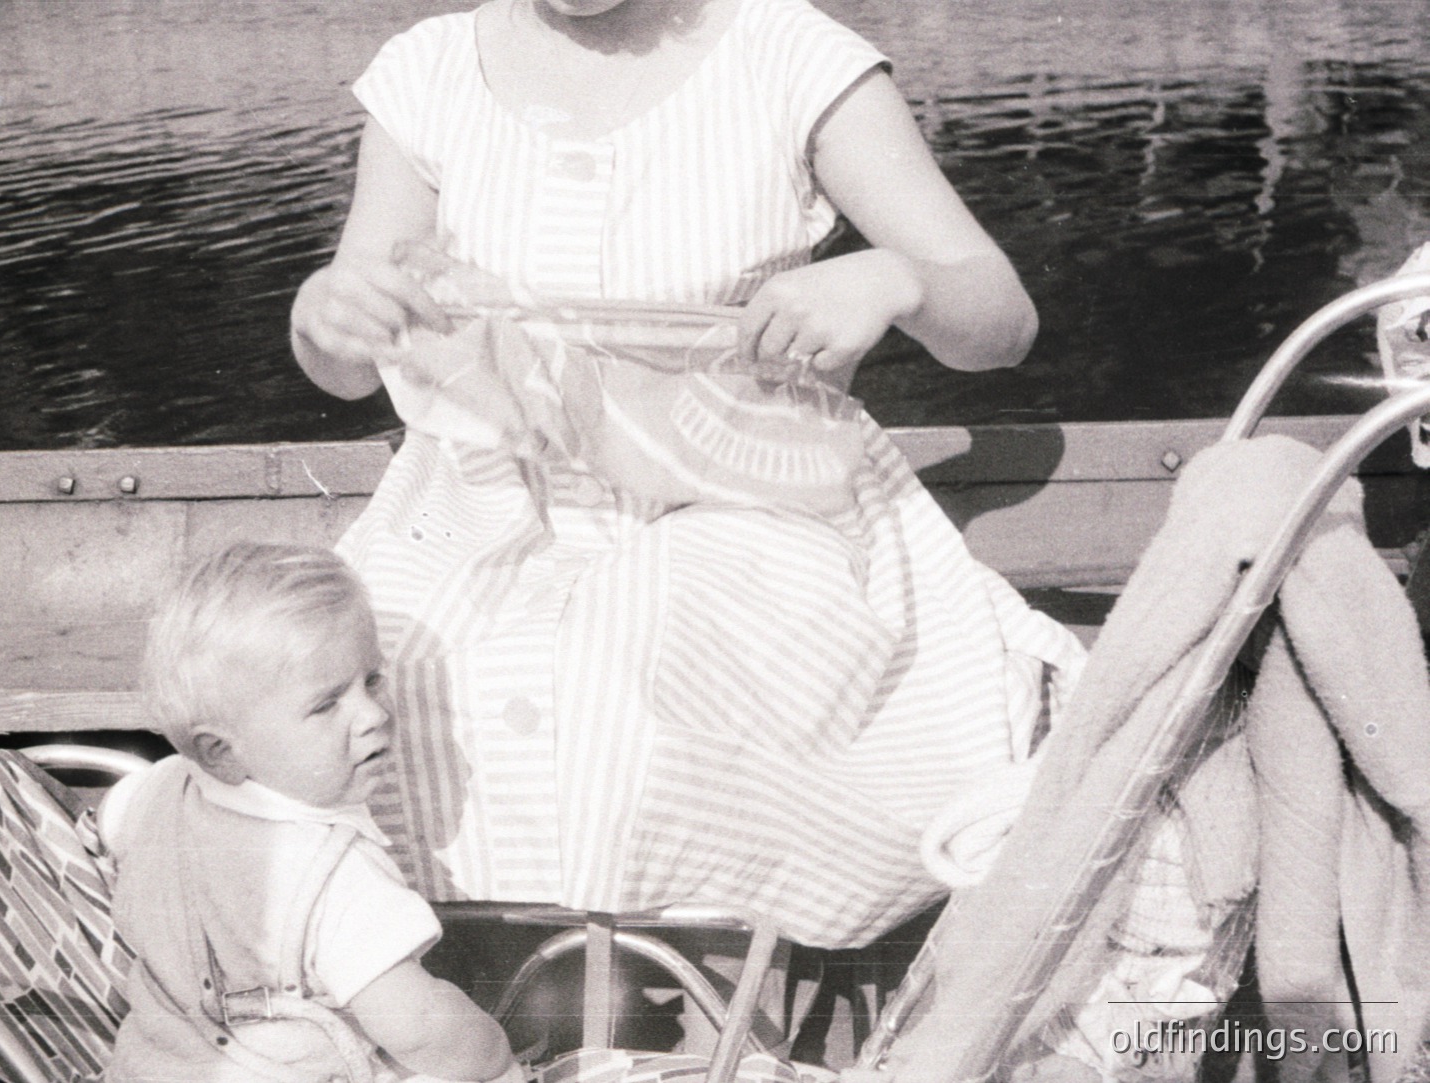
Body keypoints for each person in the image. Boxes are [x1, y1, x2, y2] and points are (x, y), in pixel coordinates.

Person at [288, 0, 1086, 954]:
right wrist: (324, 314)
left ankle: (667, 997)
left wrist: (892, 280)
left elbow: (1002, 323)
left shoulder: (790, 55)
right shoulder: (428, 70)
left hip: (746, 495)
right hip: (488, 498)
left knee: (618, 686)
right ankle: (443, 981)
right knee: (387, 676)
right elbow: (340, 362)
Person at [99, 542, 519, 1083]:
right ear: (223, 752)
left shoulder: (156, 792)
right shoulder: (337, 877)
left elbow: (109, 821)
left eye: (371, 679)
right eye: (326, 704)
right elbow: (419, 1023)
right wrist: (499, 1063)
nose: (372, 714)